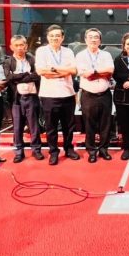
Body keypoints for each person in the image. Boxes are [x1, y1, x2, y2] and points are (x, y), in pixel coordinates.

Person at [36, 25, 79, 165]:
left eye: (57, 36)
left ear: (62, 38)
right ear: (47, 37)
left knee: (69, 126)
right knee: (51, 126)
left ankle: (69, 149)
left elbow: (73, 71)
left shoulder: (68, 51)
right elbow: (41, 71)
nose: (55, 38)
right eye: (52, 36)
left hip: (67, 94)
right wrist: (63, 71)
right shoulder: (41, 51)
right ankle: (53, 152)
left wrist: (53, 70)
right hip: (49, 95)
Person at [76, 28, 115, 163]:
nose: (93, 40)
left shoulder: (106, 55)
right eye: (90, 37)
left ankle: (104, 149)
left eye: (96, 37)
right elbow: (85, 74)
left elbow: (110, 70)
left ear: (100, 40)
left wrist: (94, 72)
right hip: (88, 95)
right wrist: (101, 73)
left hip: (105, 94)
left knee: (106, 124)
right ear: (85, 40)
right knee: (89, 124)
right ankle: (92, 151)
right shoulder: (80, 56)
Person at [3, 35, 43, 163]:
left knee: (34, 126)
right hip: (16, 98)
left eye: (22, 45)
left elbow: (37, 75)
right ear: (11, 47)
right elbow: (9, 77)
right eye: (17, 45)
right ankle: (19, 152)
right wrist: (26, 74)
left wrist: (19, 77)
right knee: (17, 127)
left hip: (32, 96)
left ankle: (36, 150)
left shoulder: (32, 59)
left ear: (26, 46)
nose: (20, 48)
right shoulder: (8, 62)